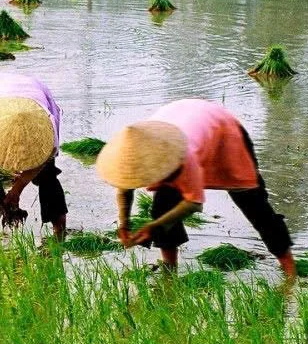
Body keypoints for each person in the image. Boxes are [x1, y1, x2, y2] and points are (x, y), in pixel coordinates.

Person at [95, 98, 297, 277]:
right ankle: (169, 267)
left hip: (223, 131)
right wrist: (124, 224)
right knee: (162, 207)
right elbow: (124, 187)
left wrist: (154, 228)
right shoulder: (134, 151)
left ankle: (290, 271)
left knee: (255, 206)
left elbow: (193, 203)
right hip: (184, 117)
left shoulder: (183, 154)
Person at [0, 73, 67, 241]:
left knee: (47, 176)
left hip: (36, 98)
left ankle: (59, 233)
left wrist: (17, 190)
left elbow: (43, 160)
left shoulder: (46, 131)